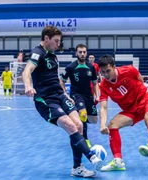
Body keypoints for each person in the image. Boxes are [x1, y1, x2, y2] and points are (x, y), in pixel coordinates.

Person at [22, 26, 103, 178]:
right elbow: (27, 71)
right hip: (46, 100)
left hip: (60, 96)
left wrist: (66, 94)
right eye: (56, 41)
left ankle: (77, 168)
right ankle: (91, 156)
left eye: (59, 41)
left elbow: (56, 80)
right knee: (70, 125)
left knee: (79, 125)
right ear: (46, 38)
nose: (58, 44)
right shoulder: (37, 53)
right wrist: (28, 86)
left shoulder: (53, 56)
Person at [98, 55, 148, 171]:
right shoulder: (103, 86)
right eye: (103, 72)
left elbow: (140, 79)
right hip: (130, 110)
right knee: (112, 125)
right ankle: (118, 162)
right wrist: (102, 124)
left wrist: (142, 93)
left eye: (108, 71)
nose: (106, 75)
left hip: (145, 99)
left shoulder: (128, 70)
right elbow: (103, 107)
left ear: (114, 67)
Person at [60, 44, 99, 149]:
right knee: (83, 114)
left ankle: (78, 123)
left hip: (88, 96)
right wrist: (65, 94)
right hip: (76, 95)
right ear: (76, 53)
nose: (82, 54)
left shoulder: (91, 67)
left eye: (84, 52)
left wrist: (97, 96)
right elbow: (62, 81)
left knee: (94, 120)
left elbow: (95, 83)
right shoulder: (70, 67)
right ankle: (85, 139)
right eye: (80, 52)